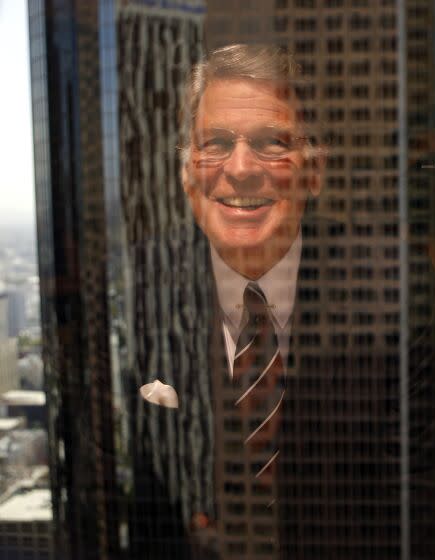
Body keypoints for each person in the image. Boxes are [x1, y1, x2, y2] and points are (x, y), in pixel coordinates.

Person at [133, 43, 322, 559]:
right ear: (186, 175)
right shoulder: (135, 290)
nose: (239, 169)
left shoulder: (387, 291)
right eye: (215, 142)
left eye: (270, 142)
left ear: (315, 170)